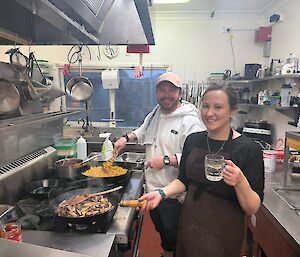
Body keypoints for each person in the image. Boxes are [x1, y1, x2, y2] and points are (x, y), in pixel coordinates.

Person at [139, 83, 265, 257]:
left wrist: (240, 181)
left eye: (218, 107)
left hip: (223, 233)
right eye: (205, 106)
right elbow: (183, 181)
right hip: (190, 224)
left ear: (233, 110)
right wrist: (161, 193)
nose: (209, 113)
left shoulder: (249, 149)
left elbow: (252, 207)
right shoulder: (193, 140)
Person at [114, 72, 206, 257]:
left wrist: (165, 160)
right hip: (153, 189)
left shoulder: (190, 122)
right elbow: (142, 130)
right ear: (156, 93)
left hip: (174, 194)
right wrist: (125, 138)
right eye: (162, 90)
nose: (166, 94)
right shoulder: (156, 113)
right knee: (164, 232)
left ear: (180, 93)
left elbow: (197, 159)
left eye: (171, 90)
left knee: (176, 236)